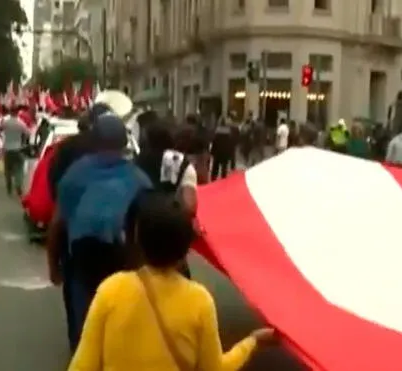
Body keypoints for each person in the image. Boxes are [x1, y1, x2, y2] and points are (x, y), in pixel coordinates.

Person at [69, 192, 273, 371]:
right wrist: (252, 341)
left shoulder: (111, 290)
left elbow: (83, 365)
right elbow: (215, 368)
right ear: (186, 250)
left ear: (138, 239)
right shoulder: (199, 301)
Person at [48, 113, 152, 352]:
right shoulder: (138, 179)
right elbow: (148, 228)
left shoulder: (75, 175)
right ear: (124, 143)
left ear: (94, 140)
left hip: (82, 261)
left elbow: (57, 224)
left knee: (84, 326)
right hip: (125, 263)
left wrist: (54, 266)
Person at [135, 118, 197, 278]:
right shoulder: (182, 162)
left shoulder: (136, 162)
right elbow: (190, 205)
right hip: (173, 232)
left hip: (143, 230)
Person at [0, 106, 30, 196]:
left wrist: (2, 137)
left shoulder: (6, 122)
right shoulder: (21, 123)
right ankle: (18, 184)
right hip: (18, 148)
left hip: (7, 149)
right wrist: (23, 142)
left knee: (7, 169)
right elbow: (27, 133)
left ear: (10, 112)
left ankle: (9, 186)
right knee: (19, 168)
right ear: (17, 112)